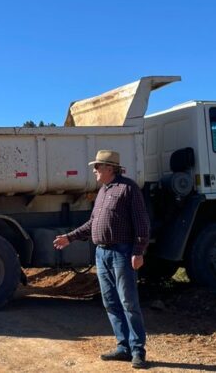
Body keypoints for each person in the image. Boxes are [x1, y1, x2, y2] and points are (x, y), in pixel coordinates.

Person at [53, 150, 151, 369]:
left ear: (109, 168)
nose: (94, 170)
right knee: (110, 302)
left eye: (97, 167)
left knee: (128, 302)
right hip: (102, 253)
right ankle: (123, 347)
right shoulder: (102, 192)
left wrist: (138, 251)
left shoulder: (128, 188)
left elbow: (141, 222)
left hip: (122, 253)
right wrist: (70, 237)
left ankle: (138, 350)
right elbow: (92, 224)